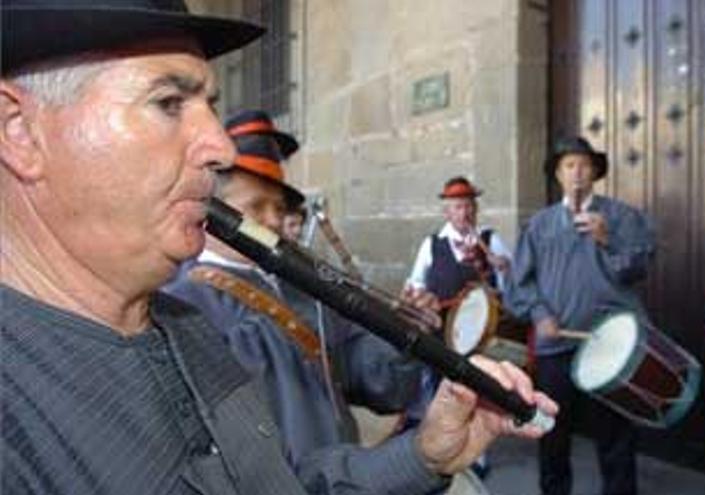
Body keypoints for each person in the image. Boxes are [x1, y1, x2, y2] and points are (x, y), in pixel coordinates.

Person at [0, 2, 557, 494]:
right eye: (169, 102)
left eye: (209, 106)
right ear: (19, 131)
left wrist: (422, 455)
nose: (219, 147)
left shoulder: (185, 332)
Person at [163, 109, 430, 492]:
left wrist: (403, 338)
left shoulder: (302, 288)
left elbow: (376, 382)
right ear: (212, 211)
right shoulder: (187, 309)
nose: (272, 221)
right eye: (256, 206)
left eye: (279, 208)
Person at [506, 136, 657, 495]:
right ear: (558, 174)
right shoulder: (539, 225)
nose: (577, 173)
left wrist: (609, 239)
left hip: (610, 347)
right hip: (555, 349)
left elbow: (639, 269)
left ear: (595, 173)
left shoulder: (621, 216)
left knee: (616, 438)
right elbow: (518, 284)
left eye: (585, 165)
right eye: (569, 165)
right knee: (552, 436)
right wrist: (540, 313)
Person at [403, 177, 514, 426]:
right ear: (447, 211)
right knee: (439, 385)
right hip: (441, 330)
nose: (465, 213)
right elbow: (416, 283)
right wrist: (420, 299)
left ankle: (476, 452)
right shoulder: (432, 244)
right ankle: (438, 437)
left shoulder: (490, 239)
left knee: (476, 387)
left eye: (469, 206)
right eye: (458, 207)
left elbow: (510, 289)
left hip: (477, 334)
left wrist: (504, 269)